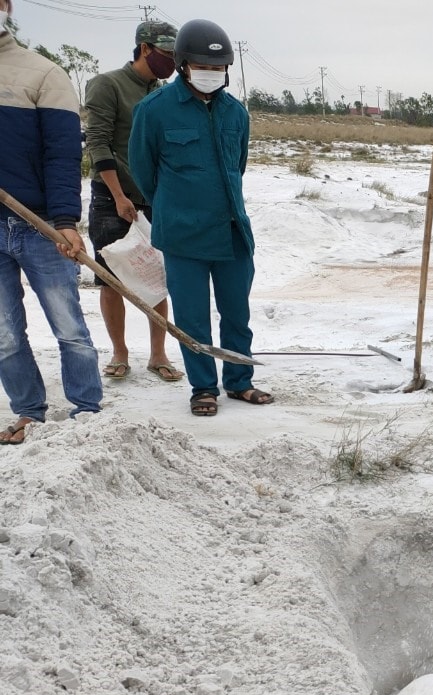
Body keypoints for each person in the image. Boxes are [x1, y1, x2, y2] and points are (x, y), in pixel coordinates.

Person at [129, 18, 272, 417]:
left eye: (218, 68)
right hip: (183, 236)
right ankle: (203, 388)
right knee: (192, 318)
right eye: (204, 67)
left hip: (232, 232)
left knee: (237, 314)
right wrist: (176, 207)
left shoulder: (236, 114)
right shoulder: (154, 111)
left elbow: (237, 166)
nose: (212, 74)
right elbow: (143, 171)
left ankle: (240, 381)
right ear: (183, 65)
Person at [0, 0, 103, 444]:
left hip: (39, 224)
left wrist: (65, 220)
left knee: (69, 328)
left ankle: (88, 412)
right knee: (3, 334)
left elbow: (62, 155)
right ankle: (27, 412)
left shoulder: (42, 74)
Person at [84, 19, 184, 383]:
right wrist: (119, 196)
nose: (172, 62)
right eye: (167, 54)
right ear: (145, 49)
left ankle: (158, 354)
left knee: (156, 277)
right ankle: (120, 352)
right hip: (113, 196)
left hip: (155, 197)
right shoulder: (107, 84)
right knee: (111, 279)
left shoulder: (161, 91)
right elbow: (98, 142)